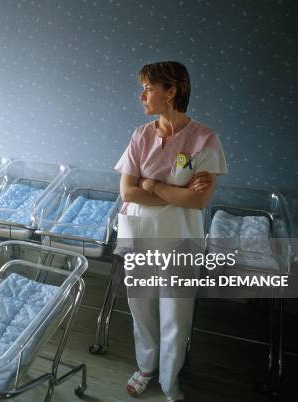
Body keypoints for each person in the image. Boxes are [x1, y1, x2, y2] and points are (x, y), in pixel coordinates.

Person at [114, 61, 228, 402]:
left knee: (176, 311)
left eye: (149, 88)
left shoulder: (205, 140)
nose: (142, 96)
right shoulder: (140, 135)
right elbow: (127, 193)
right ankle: (146, 366)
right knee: (141, 305)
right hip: (140, 233)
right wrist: (173, 192)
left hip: (179, 237)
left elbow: (198, 202)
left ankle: (169, 378)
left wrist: (151, 183)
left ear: (172, 91)